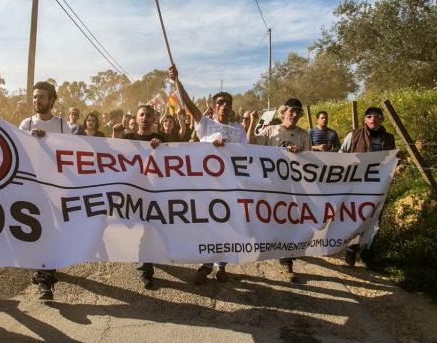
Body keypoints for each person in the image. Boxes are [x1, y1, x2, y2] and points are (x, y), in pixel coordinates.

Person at [168, 64, 247, 284]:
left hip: (230, 186)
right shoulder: (205, 124)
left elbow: (246, 155)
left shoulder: (239, 130)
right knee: (206, 224)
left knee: (227, 224)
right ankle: (204, 265)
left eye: (228, 103)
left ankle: (221, 265)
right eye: (220, 102)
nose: (224, 105)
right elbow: (188, 104)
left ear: (231, 108)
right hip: (206, 186)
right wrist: (177, 81)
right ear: (214, 106)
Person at [20, 81, 71, 300]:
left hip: (55, 189)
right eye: (34, 96)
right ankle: (41, 269)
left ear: (52, 100)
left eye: (41, 96)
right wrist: (33, 141)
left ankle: (45, 281)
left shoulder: (62, 126)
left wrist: (48, 143)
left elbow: (70, 154)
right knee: (35, 233)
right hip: (31, 186)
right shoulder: (26, 123)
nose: (36, 100)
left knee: (50, 233)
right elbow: (20, 152)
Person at [250, 98, 310, 282]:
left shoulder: (304, 135)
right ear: (283, 112)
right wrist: (252, 122)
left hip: (291, 187)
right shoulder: (270, 131)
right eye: (291, 111)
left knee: (289, 222)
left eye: (298, 112)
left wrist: (299, 154)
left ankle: (286, 262)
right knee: (266, 218)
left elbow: (309, 162)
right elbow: (250, 144)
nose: (294, 115)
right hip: (269, 185)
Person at [113, 105, 166, 289]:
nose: (144, 117)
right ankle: (145, 255)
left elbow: (170, 162)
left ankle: (145, 269)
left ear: (153, 119)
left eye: (148, 115)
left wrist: (159, 149)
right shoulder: (127, 138)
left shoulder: (161, 139)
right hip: (130, 192)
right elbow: (113, 157)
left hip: (152, 191)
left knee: (148, 228)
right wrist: (116, 138)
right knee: (132, 228)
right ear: (136, 118)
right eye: (141, 115)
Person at [340, 106, 397, 267]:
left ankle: (367, 255)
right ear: (365, 120)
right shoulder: (354, 136)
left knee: (375, 222)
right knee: (355, 219)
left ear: (382, 119)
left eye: (377, 116)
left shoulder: (389, 139)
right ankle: (351, 250)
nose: (373, 119)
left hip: (379, 187)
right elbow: (341, 156)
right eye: (370, 116)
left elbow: (392, 161)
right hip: (357, 186)